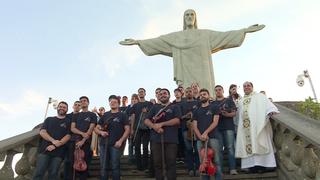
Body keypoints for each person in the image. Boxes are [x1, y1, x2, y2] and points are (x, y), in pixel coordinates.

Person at [120, 9, 265, 95]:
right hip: (185, 72)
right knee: (186, 93)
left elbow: (224, 36)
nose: (189, 17)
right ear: (184, 19)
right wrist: (138, 42)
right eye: (187, 15)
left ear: (195, 18)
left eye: (191, 15)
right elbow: (158, 41)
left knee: (206, 93)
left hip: (204, 73)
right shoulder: (176, 37)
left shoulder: (205, 34)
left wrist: (244, 30)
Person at [235, 82, 279, 173]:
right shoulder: (241, 101)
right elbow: (238, 115)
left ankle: (265, 165)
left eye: (248, 85)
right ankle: (251, 167)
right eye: (244, 86)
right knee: (249, 145)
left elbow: (267, 104)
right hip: (245, 128)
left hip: (257, 126)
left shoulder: (259, 96)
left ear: (252, 87)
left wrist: (271, 110)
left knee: (260, 142)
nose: (246, 87)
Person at [144, 88, 181, 180]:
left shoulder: (174, 106)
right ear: (158, 96)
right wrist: (154, 126)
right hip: (156, 139)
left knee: (171, 162)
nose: (162, 95)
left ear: (169, 95)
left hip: (171, 139)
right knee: (157, 163)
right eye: (160, 94)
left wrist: (162, 124)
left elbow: (177, 120)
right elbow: (146, 120)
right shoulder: (155, 107)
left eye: (165, 93)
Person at [94, 95, 130, 180]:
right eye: (111, 102)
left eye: (115, 102)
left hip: (116, 144)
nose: (113, 103)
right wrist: (101, 132)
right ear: (109, 103)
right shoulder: (105, 115)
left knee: (115, 166)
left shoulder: (123, 115)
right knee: (103, 166)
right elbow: (96, 129)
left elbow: (127, 130)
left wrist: (121, 141)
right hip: (103, 144)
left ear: (118, 104)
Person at [33, 101, 71, 180]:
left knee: (53, 175)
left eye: (64, 107)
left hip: (59, 153)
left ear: (67, 110)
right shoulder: (49, 119)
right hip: (44, 150)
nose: (62, 108)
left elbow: (68, 136)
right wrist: (53, 141)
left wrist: (55, 145)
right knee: (38, 173)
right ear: (57, 108)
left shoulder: (68, 122)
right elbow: (42, 132)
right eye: (60, 106)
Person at [192, 88, 222, 180]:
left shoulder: (215, 107)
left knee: (217, 161)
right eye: (200, 95)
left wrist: (205, 132)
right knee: (203, 163)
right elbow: (194, 126)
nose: (202, 96)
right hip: (200, 139)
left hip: (213, 138)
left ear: (208, 96)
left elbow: (215, 122)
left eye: (204, 94)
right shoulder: (196, 110)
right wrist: (200, 136)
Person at [212, 85, 238, 175]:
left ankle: (233, 169)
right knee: (219, 149)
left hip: (228, 127)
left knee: (230, 148)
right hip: (217, 128)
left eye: (219, 90)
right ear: (214, 92)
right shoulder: (213, 103)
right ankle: (220, 170)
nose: (218, 91)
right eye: (216, 90)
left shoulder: (229, 101)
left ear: (223, 91)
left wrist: (226, 114)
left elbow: (234, 113)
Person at [69, 96, 97, 180]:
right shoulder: (76, 114)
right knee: (72, 163)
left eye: (84, 101)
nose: (83, 102)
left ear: (88, 103)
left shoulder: (92, 115)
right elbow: (72, 128)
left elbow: (91, 128)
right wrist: (82, 133)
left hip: (86, 142)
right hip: (74, 141)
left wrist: (83, 140)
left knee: (84, 164)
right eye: (81, 101)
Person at [130, 88, 153, 171]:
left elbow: (153, 114)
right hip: (137, 128)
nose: (141, 93)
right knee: (136, 147)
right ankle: (139, 166)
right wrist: (132, 129)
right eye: (139, 92)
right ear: (138, 94)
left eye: (142, 92)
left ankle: (145, 165)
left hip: (147, 128)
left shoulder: (149, 104)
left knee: (146, 147)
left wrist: (147, 111)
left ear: (145, 93)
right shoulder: (135, 105)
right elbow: (133, 117)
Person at [180, 87, 200, 176]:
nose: (188, 93)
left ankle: (199, 168)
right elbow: (179, 117)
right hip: (185, 129)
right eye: (187, 92)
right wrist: (186, 116)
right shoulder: (181, 104)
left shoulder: (198, 102)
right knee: (188, 149)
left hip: (197, 129)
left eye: (190, 91)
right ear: (184, 93)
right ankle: (190, 168)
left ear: (193, 92)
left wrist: (194, 115)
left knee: (197, 149)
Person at [64, 101, 81, 180]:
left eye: (79, 105)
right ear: (73, 106)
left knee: (75, 160)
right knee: (67, 161)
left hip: (77, 140)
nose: (77, 106)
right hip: (66, 140)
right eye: (76, 105)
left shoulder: (82, 116)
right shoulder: (67, 116)